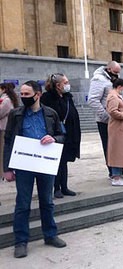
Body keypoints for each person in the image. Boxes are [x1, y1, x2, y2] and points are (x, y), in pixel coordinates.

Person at [3, 81, 67, 258]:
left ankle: (50, 235)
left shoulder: (51, 113)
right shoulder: (15, 114)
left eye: (26, 94)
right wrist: (7, 168)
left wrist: (54, 139)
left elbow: (62, 135)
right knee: (23, 203)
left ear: (37, 95)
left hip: (45, 164)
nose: (23, 97)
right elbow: (8, 141)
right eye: (21, 94)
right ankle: (21, 241)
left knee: (47, 201)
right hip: (23, 165)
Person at [87, 61, 123, 178]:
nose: (117, 74)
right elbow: (92, 100)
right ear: (109, 69)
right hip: (107, 120)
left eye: (118, 72)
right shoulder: (99, 80)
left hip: (120, 120)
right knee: (111, 146)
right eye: (115, 72)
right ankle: (113, 172)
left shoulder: (114, 80)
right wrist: (106, 117)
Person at [41, 73, 81, 198]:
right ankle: (56, 187)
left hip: (68, 134)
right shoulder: (47, 98)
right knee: (55, 162)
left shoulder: (67, 97)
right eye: (65, 82)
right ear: (58, 85)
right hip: (55, 134)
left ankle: (64, 187)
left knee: (64, 161)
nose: (68, 85)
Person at [0, 83, 20, 180]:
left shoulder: (6, 100)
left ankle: (3, 173)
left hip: (3, 128)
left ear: (3, 89)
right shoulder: (10, 99)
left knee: (3, 152)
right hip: (5, 127)